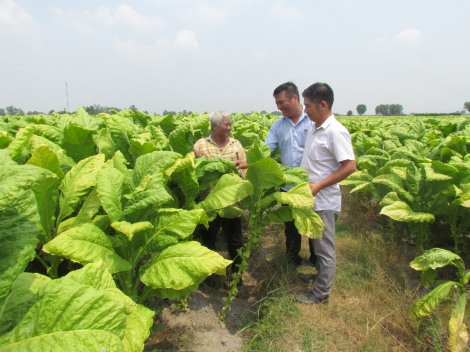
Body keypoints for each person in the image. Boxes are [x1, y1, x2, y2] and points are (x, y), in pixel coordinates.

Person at [295, 83, 356, 305]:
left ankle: (320, 294)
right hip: (312, 198)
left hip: (324, 201)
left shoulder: (335, 131)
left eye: (308, 105)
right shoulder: (314, 127)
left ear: (323, 104)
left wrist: (319, 185)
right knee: (316, 244)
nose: (305, 110)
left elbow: (349, 166)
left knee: (324, 249)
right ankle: (320, 279)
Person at [245, 82, 314, 267]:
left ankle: (316, 260)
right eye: (276, 103)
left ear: (295, 98)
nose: (279, 107)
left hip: (313, 185)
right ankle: (293, 259)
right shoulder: (278, 126)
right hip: (289, 186)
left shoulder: (313, 120)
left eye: (281, 102)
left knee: (314, 223)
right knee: (290, 225)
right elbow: (267, 149)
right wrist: (249, 161)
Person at [193, 110, 246, 279]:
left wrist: (244, 167)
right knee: (208, 241)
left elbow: (246, 169)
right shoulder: (200, 145)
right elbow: (193, 170)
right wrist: (195, 158)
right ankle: (210, 275)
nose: (230, 127)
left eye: (230, 124)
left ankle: (237, 276)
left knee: (235, 241)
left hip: (231, 202)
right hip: (209, 203)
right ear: (214, 126)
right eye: (226, 124)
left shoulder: (236, 145)